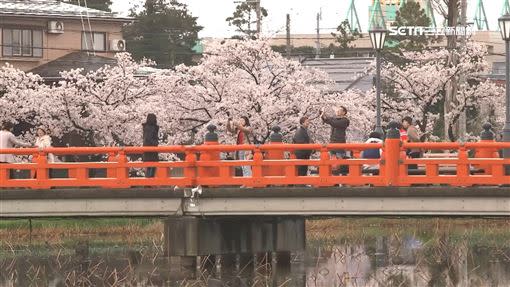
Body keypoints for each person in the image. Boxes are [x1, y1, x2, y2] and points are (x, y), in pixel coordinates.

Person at [143, 114, 159, 178]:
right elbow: (149, 139)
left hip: (147, 149)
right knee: (151, 166)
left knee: (149, 166)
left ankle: (148, 183)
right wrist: (155, 143)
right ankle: (149, 183)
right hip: (151, 149)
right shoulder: (151, 128)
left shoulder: (146, 127)